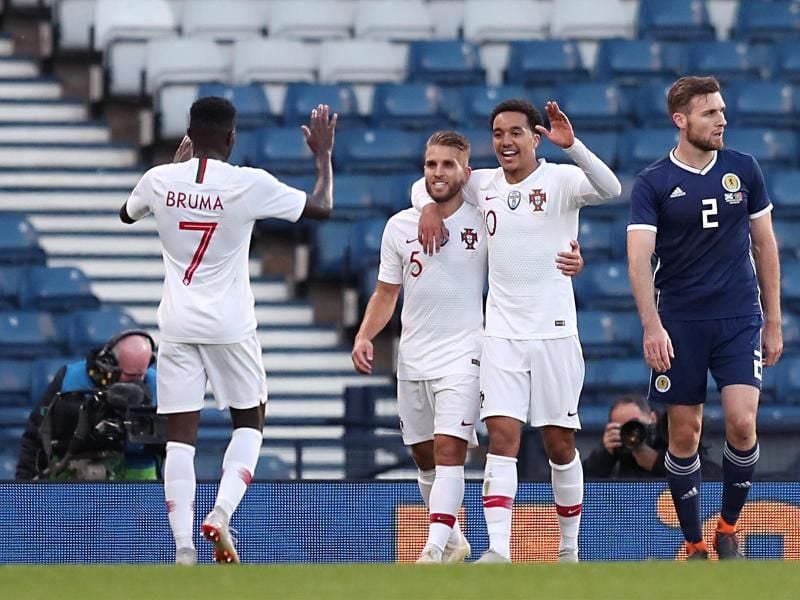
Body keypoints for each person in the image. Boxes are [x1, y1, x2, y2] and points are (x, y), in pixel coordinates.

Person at [119, 96, 336, 565]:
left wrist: (173, 171)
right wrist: (322, 157)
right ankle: (220, 511)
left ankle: (182, 548)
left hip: (176, 324)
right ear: (231, 138)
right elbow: (321, 206)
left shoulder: (158, 180)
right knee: (250, 422)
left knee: (180, 437)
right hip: (230, 324)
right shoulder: (247, 183)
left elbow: (126, 213)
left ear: (189, 133)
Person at [352, 130, 584, 564]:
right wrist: (365, 335)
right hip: (413, 355)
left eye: (448, 165)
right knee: (423, 455)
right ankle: (455, 536)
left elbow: (532, 245)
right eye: (431, 165)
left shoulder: (484, 217)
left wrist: (573, 256)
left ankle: (433, 549)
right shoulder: (399, 226)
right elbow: (385, 292)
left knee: (448, 451)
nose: (438, 173)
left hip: (467, 351)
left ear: (467, 172)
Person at [415, 99, 621, 563]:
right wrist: (429, 206)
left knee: (558, 442)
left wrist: (575, 147)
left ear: (535, 137)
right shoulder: (482, 183)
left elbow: (610, 187)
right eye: (498, 133)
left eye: (515, 133)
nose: (505, 142)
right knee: (502, 437)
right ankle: (499, 551)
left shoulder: (561, 180)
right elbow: (429, 182)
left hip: (554, 332)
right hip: (502, 334)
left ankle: (569, 549)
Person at [627, 76, 783, 560]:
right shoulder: (654, 182)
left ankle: (728, 527)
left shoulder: (744, 169)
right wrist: (652, 325)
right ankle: (694, 541)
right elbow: (638, 260)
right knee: (685, 433)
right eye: (710, 113)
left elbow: (765, 245)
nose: (722, 120)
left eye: (722, 111)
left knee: (741, 424)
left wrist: (773, 321)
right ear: (682, 120)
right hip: (680, 322)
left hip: (738, 317)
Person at [16, 330, 158, 481]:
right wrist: (24, 483)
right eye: (129, 376)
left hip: (138, 479)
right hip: (74, 471)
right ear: (109, 363)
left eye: (141, 374)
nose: (137, 381)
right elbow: (35, 433)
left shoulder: (156, 383)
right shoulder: (69, 380)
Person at [582, 393, 722, 480]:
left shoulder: (672, 443)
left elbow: (713, 479)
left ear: (653, 418)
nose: (630, 432)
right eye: (622, 427)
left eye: (635, 424)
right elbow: (579, 486)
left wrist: (658, 462)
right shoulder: (612, 455)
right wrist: (604, 457)